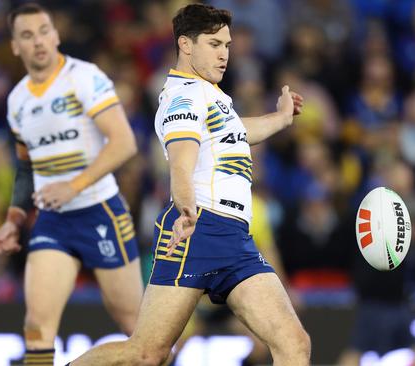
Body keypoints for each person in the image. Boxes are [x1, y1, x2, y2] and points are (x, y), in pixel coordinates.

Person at [69, 4, 311, 365]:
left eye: (227, 45)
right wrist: (185, 209)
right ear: (185, 44)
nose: (224, 53)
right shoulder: (184, 96)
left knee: (294, 342)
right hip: (198, 228)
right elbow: (181, 161)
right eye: (214, 44)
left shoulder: (210, 95)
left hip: (234, 239)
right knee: (146, 354)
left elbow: (237, 132)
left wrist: (278, 118)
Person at [0, 4, 142, 365]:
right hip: (53, 220)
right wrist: (14, 219)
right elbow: (26, 168)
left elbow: (124, 142)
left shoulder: (84, 77)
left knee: (142, 336)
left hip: (101, 211)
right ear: (15, 46)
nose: (38, 41)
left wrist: (73, 186)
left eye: (44, 30)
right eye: (27, 35)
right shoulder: (17, 100)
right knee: (36, 327)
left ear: (56, 34)